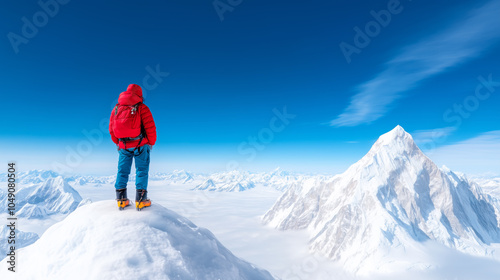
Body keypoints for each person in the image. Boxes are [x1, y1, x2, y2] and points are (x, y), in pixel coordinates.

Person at [109, 84, 157, 211]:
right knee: (141, 170)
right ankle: (141, 200)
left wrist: (118, 143)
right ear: (139, 95)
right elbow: (150, 128)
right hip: (141, 144)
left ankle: (121, 200)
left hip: (123, 146)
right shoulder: (142, 108)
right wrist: (151, 142)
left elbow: (112, 129)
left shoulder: (116, 109)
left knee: (122, 171)